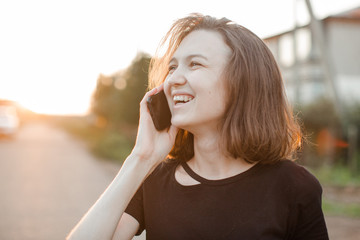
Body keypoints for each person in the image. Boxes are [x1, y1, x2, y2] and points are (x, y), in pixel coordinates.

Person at [67, 13, 329, 240]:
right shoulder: (154, 180)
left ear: (243, 82)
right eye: (172, 67)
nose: (173, 80)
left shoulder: (295, 188)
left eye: (195, 64)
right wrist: (141, 158)